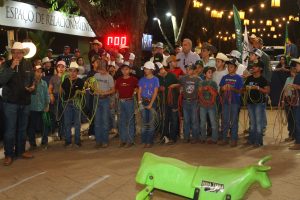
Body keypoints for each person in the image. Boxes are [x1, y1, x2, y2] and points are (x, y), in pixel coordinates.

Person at [0, 42, 35, 166]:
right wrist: (11, 68)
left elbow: (32, 80)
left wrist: (32, 87)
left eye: (19, 52)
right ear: (12, 53)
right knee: (10, 130)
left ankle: (21, 151)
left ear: (23, 53)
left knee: (22, 129)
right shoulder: (6, 64)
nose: (17, 54)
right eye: (14, 52)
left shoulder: (28, 64)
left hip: (25, 102)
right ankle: (9, 155)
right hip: (10, 103)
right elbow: (1, 81)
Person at [244, 61, 270, 147]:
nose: (253, 67)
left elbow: (267, 91)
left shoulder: (263, 80)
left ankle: (258, 141)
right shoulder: (249, 78)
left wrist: (258, 88)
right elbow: (244, 89)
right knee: (252, 122)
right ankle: (251, 140)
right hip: (250, 103)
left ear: (260, 69)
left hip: (259, 103)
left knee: (258, 123)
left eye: (255, 66)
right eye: (253, 66)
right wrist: (246, 88)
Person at [219, 59, 243, 147]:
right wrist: (223, 88)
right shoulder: (224, 78)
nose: (229, 68)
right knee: (225, 120)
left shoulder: (239, 78)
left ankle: (234, 139)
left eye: (231, 66)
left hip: (235, 102)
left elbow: (241, 91)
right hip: (225, 102)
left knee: (234, 121)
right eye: (228, 66)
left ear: (236, 68)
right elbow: (220, 90)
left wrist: (232, 89)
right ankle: (224, 138)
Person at [115, 62, 138, 147]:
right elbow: (116, 89)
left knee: (130, 121)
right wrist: (117, 97)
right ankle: (123, 140)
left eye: (126, 69)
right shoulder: (119, 80)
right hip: (121, 102)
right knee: (122, 121)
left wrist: (135, 92)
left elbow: (138, 88)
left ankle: (130, 140)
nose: (125, 71)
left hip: (129, 101)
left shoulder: (134, 79)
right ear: (121, 71)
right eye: (123, 69)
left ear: (129, 70)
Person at [61, 62, 84, 147]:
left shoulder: (81, 81)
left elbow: (83, 93)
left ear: (77, 72)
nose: (73, 73)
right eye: (71, 71)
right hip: (67, 103)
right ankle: (68, 141)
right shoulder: (66, 81)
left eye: (74, 71)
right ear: (69, 71)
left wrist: (80, 92)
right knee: (67, 122)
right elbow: (62, 91)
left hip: (77, 103)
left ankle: (77, 141)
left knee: (77, 122)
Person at [28, 65, 50, 150]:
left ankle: (45, 141)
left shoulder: (44, 83)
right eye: (37, 71)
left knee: (45, 125)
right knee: (32, 126)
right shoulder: (30, 82)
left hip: (42, 107)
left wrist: (47, 105)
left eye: (41, 72)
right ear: (33, 72)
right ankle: (32, 143)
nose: (39, 74)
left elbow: (46, 95)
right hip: (32, 107)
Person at [138, 61, 160, 148]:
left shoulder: (155, 79)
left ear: (151, 70)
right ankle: (144, 140)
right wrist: (140, 102)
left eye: (147, 69)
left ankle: (149, 141)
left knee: (150, 122)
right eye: (145, 69)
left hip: (151, 102)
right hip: (143, 101)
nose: (145, 70)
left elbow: (155, 92)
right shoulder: (142, 79)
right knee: (144, 122)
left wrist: (151, 104)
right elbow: (139, 92)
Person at [94, 60, 115, 148]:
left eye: (102, 69)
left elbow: (113, 90)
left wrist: (105, 93)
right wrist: (95, 90)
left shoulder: (109, 77)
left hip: (105, 99)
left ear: (106, 68)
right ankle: (98, 141)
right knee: (97, 121)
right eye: (99, 69)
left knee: (105, 121)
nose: (100, 71)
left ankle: (105, 141)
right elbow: (94, 85)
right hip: (97, 99)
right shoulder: (96, 75)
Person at [157, 63, 180, 144]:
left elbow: (179, 84)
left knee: (173, 119)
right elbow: (156, 88)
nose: (160, 73)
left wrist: (174, 85)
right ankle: (165, 136)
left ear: (163, 68)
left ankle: (173, 138)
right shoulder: (158, 78)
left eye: (161, 70)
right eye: (158, 72)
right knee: (165, 119)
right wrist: (160, 88)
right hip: (164, 102)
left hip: (173, 101)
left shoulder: (172, 75)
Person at [179, 64, 200, 143]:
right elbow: (179, 84)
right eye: (187, 69)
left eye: (190, 69)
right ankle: (186, 137)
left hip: (194, 101)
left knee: (194, 120)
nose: (188, 71)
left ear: (194, 70)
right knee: (186, 120)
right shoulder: (183, 78)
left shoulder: (198, 79)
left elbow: (201, 89)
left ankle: (195, 137)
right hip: (185, 101)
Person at [199, 67, 218, 144]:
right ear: (205, 74)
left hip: (212, 105)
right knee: (202, 123)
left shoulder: (214, 83)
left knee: (213, 123)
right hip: (203, 105)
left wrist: (209, 89)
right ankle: (203, 137)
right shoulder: (201, 82)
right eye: (209, 72)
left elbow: (215, 94)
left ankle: (214, 139)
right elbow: (199, 93)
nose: (211, 74)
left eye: (211, 72)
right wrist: (204, 89)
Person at [48, 61, 66, 140]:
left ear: (65, 68)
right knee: (56, 116)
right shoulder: (53, 77)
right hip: (56, 97)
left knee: (64, 116)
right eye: (59, 67)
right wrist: (51, 95)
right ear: (56, 68)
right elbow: (50, 88)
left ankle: (62, 134)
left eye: (62, 67)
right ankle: (54, 132)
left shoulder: (67, 77)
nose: (61, 68)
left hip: (65, 98)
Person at [282, 67, 297, 142]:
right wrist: (282, 100)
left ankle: (296, 136)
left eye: (294, 71)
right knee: (289, 118)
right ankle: (291, 134)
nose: (292, 72)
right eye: (291, 71)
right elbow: (285, 89)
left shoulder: (297, 80)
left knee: (295, 118)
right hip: (288, 99)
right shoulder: (288, 79)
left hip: (295, 100)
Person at [289, 57, 300, 150]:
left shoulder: (298, 76)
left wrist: (297, 87)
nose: (296, 66)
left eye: (297, 64)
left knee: (297, 122)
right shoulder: (297, 75)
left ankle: (298, 142)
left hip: (298, 102)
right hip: (297, 101)